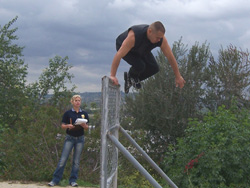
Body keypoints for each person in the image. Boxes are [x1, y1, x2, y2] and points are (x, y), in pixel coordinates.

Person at [110, 21, 186, 93]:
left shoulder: (161, 40)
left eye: (160, 38)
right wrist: (113, 75)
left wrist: (178, 76)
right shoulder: (134, 36)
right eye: (157, 37)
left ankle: (131, 79)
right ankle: (131, 76)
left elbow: (170, 57)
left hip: (141, 50)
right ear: (149, 31)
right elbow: (118, 55)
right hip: (126, 49)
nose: (159, 40)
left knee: (154, 68)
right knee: (140, 65)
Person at [48, 95, 89, 187]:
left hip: (80, 138)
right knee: (63, 159)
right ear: (72, 102)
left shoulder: (84, 113)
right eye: (76, 100)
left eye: (79, 100)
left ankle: (73, 180)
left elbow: (87, 127)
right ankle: (55, 180)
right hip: (70, 137)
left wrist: (84, 126)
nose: (77, 102)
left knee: (76, 161)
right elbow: (62, 125)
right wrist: (68, 126)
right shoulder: (68, 113)